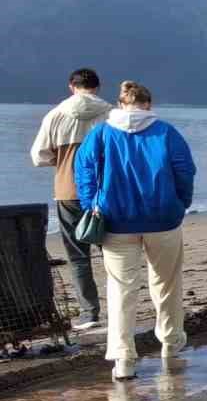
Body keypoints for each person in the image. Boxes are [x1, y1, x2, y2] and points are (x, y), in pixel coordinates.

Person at [73, 81, 196, 381]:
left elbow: (84, 171)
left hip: (116, 222)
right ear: (148, 104)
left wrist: (92, 204)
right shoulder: (166, 132)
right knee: (166, 284)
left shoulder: (101, 133)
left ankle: (123, 359)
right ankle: (170, 342)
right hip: (163, 220)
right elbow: (185, 171)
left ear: (120, 103)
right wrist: (181, 203)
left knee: (121, 290)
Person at [29, 68, 113, 328]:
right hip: (105, 192)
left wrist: (61, 160)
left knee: (78, 256)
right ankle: (121, 308)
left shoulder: (55, 115)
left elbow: (38, 156)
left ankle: (90, 314)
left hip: (68, 191)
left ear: (71, 86)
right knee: (113, 253)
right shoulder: (111, 114)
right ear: (97, 87)